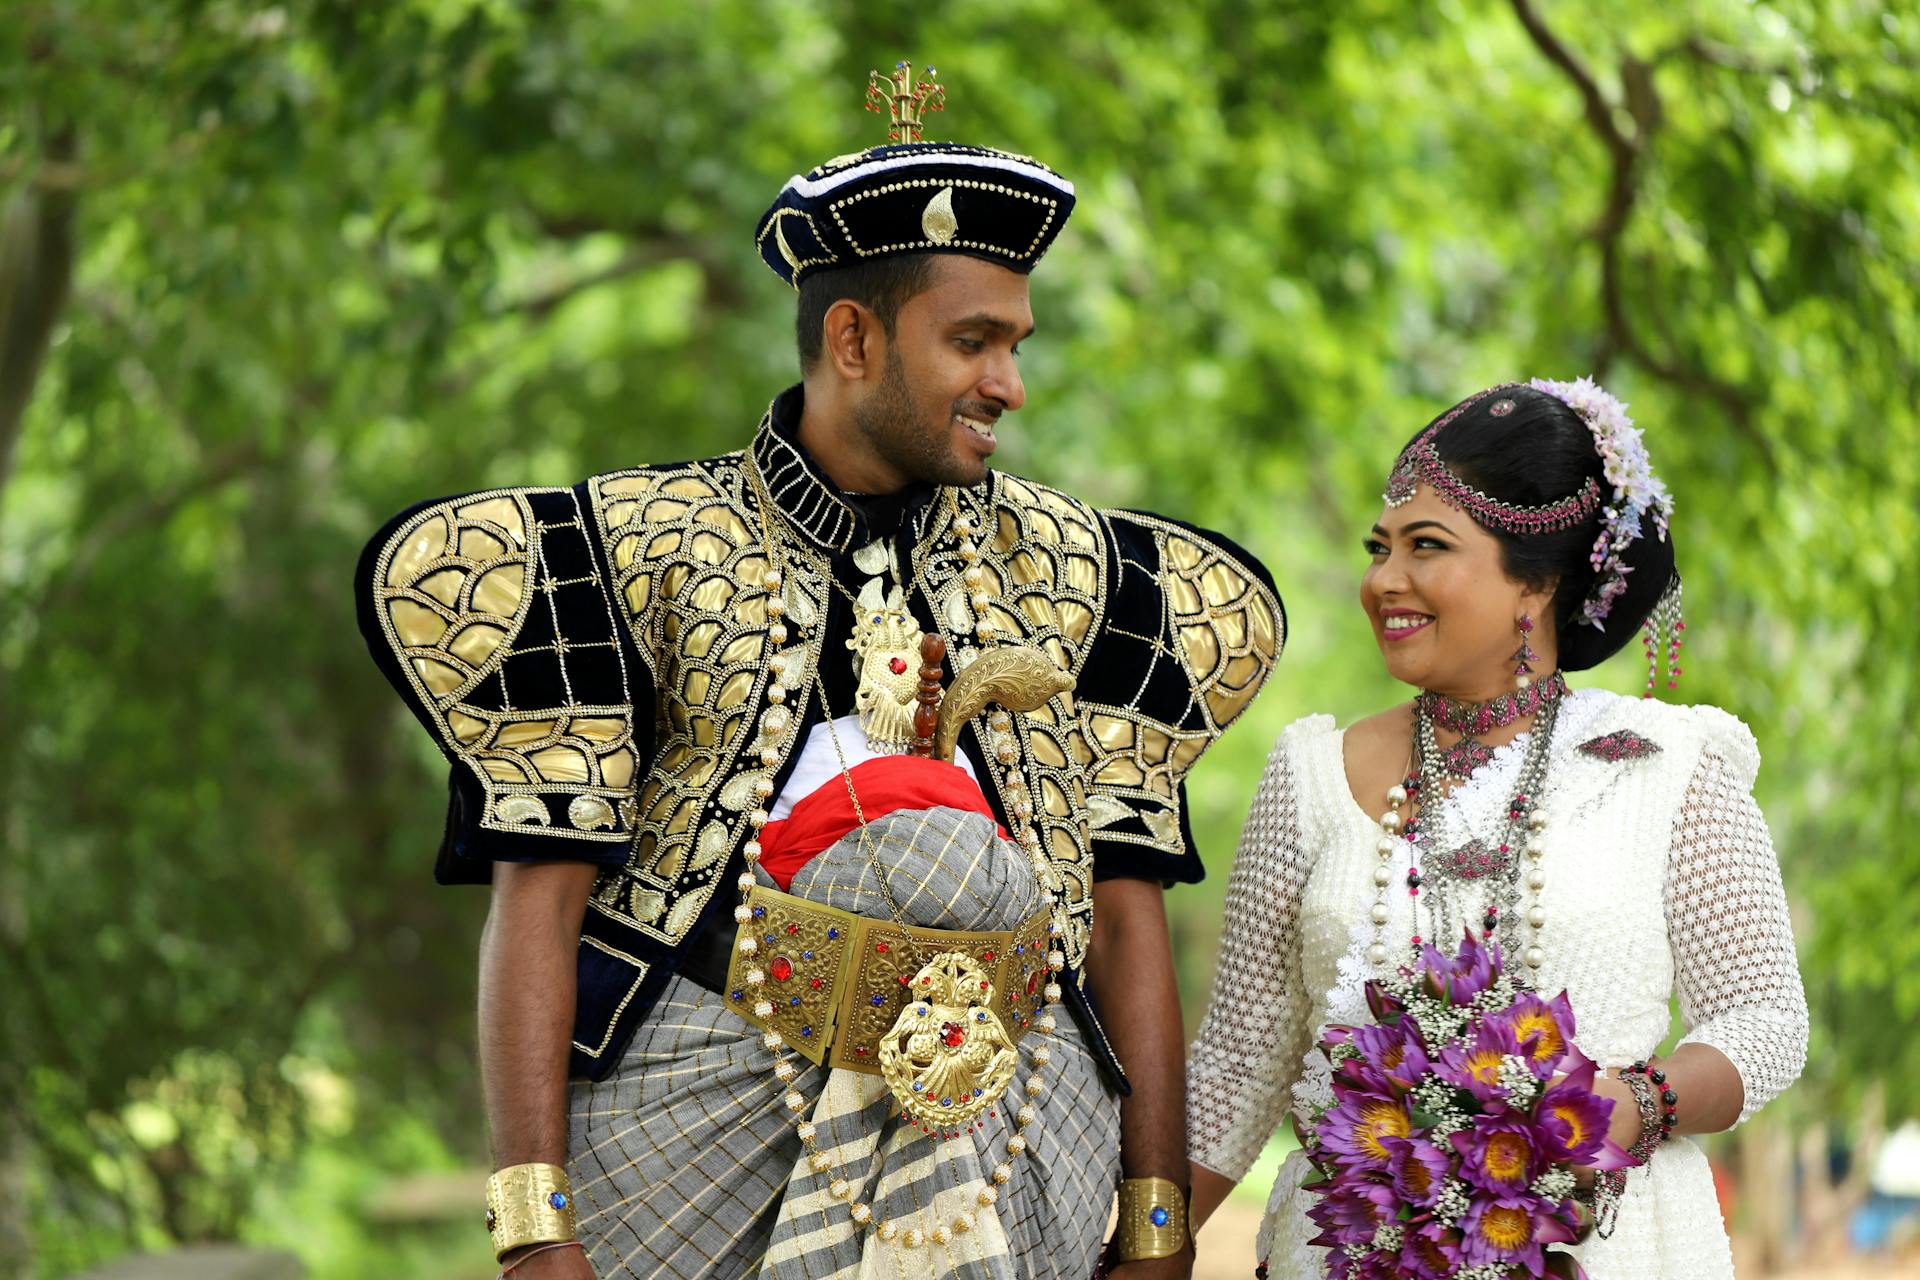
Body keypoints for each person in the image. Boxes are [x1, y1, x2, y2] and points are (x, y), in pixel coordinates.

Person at [355, 63, 1283, 1280]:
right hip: (676, 1151)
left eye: (1014, 343)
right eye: (973, 341)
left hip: (1018, 1138)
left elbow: (1122, 911)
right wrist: (535, 1229)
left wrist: (1158, 1228)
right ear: (852, 337)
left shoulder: (1079, 574)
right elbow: (539, 901)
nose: (1008, 382)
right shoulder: (632, 549)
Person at [1182, 380, 1807, 1278]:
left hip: (1605, 1243)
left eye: (1427, 547)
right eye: (1379, 549)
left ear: (1539, 582)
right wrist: (1151, 1244)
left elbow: (1765, 1019)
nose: (1383, 581)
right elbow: (1237, 1069)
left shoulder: (1666, 766)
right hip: (1349, 1252)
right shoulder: (1311, 774)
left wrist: (1631, 1102)